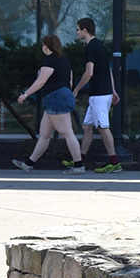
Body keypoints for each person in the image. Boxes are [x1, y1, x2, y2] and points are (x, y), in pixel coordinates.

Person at [13, 35, 88, 174]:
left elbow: (41, 81)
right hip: (62, 96)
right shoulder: (65, 61)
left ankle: (79, 165)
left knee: (67, 133)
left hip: (55, 98)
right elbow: (70, 82)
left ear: (46, 46)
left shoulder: (49, 61)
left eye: (43, 45)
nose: (42, 47)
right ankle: (28, 163)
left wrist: (25, 94)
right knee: (45, 134)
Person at [73, 18, 123, 173]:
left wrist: (76, 90)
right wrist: (113, 90)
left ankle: (114, 162)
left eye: (77, 29)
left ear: (85, 30)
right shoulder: (100, 46)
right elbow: (107, 69)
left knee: (102, 127)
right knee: (87, 127)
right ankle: (79, 161)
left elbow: (89, 73)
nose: (76, 32)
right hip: (103, 93)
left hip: (99, 95)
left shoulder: (90, 48)